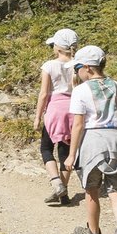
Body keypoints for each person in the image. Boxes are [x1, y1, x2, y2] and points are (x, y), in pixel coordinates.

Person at [63, 45, 117, 234]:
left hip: (93, 141)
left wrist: (71, 154)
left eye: (77, 68)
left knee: (92, 189)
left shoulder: (81, 90)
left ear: (87, 67)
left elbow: (78, 125)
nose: (76, 72)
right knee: (116, 189)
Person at [34, 28, 78, 205]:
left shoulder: (49, 65)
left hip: (54, 109)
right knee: (65, 151)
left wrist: (37, 117)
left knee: (46, 147)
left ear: (58, 48)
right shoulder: (79, 64)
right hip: (74, 109)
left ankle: (56, 182)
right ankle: (64, 194)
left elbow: (44, 93)